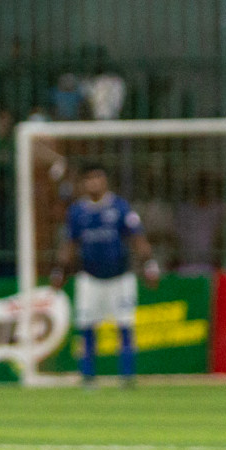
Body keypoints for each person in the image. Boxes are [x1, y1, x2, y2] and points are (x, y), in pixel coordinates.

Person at [52, 165, 159, 385]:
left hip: (120, 276)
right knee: (86, 326)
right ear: (83, 183)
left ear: (105, 181)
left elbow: (137, 238)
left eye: (97, 178)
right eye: (89, 179)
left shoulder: (120, 207)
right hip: (89, 277)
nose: (93, 183)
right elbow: (70, 243)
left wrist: (149, 264)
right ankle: (88, 377)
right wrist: (60, 269)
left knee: (125, 325)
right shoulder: (77, 211)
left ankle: (127, 377)